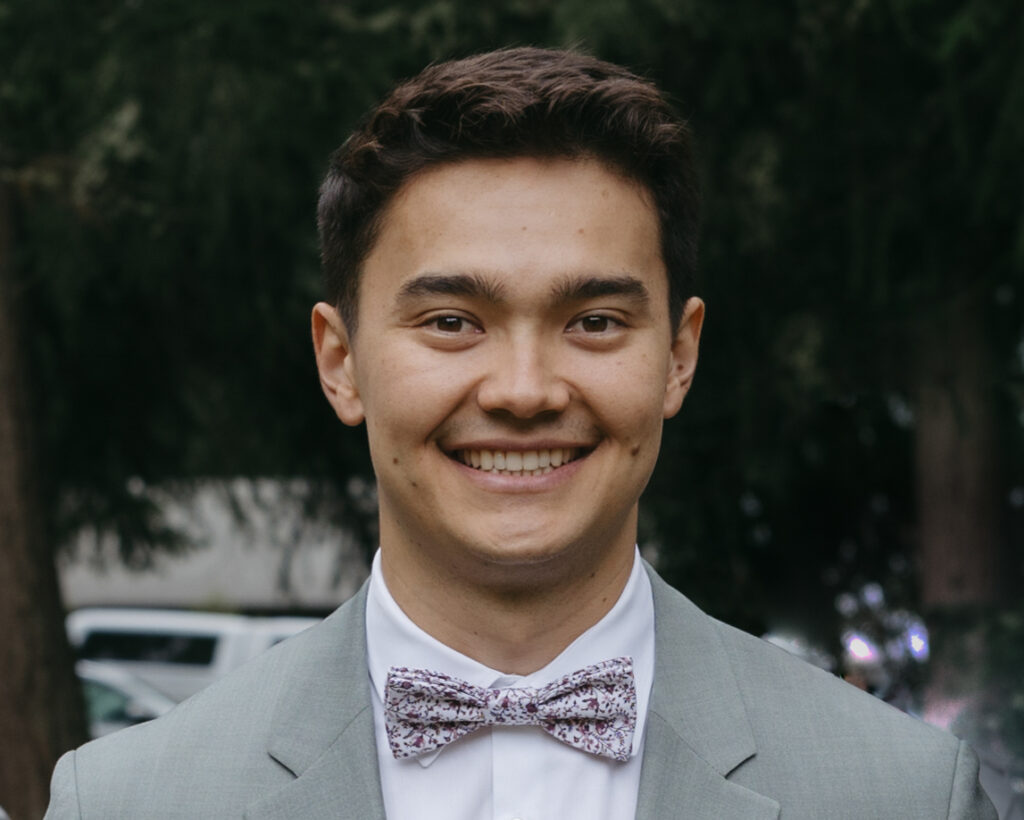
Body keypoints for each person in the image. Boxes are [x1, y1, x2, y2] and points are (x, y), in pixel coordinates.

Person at [45, 47, 995, 819]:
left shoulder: (904, 796)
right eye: (452, 322)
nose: (526, 391)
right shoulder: (128, 803)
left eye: (595, 322)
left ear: (679, 357)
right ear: (341, 362)